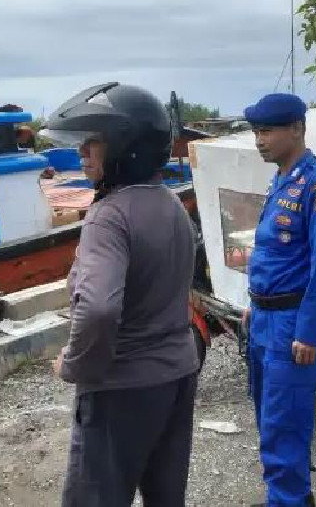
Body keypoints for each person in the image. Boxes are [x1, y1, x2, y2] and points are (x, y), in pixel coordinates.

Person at [42, 83, 199, 507]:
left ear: (125, 149)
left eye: (92, 144)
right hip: (177, 375)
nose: (82, 155)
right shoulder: (173, 207)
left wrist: (74, 364)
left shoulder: (108, 217)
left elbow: (96, 310)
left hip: (122, 386)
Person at [242, 93, 316, 507]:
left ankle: (291, 500)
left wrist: (309, 331)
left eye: (266, 130)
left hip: (290, 326)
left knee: (286, 421)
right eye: (256, 132)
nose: (258, 140)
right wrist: (254, 300)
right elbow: (274, 253)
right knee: (269, 417)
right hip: (265, 317)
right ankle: (281, 497)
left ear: (297, 129)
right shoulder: (284, 177)